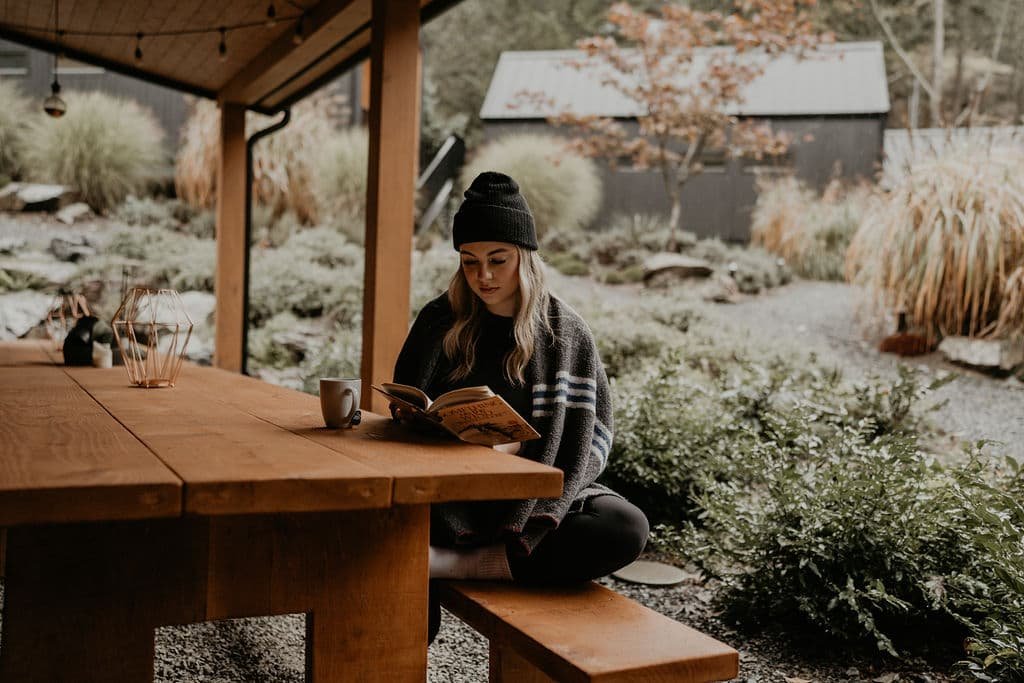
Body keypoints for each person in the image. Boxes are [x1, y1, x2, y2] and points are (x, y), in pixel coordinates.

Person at [391, 171, 649, 642]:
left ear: (524, 257)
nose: (483, 276)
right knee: (383, 534)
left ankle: (455, 564)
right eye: (469, 262)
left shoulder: (564, 333)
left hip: (531, 491)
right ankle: (454, 566)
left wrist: (514, 456)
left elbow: (592, 437)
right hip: (446, 492)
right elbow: (407, 403)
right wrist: (423, 423)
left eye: (498, 259)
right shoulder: (437, 320)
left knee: (624, 526)